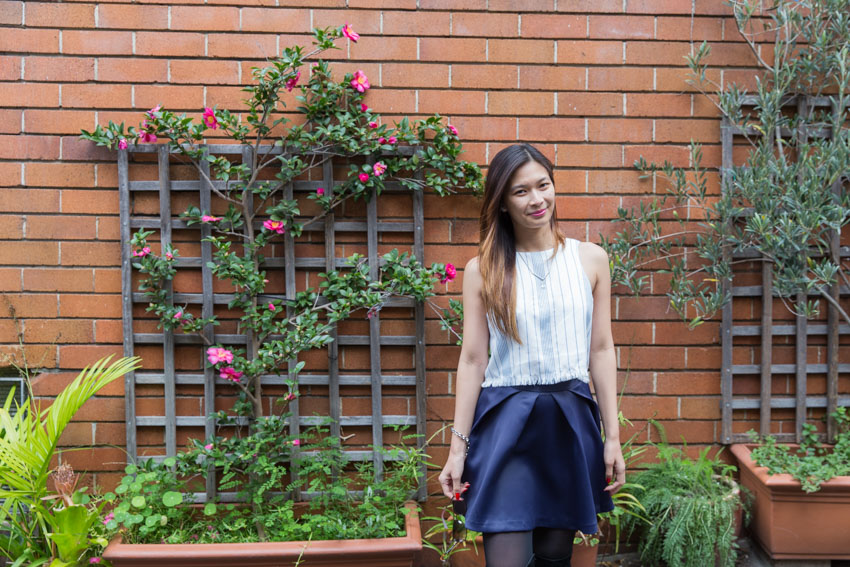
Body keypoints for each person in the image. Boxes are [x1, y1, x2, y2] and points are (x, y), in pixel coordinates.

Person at [438, 144, 626, 567]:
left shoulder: (591, 260)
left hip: (568, 419)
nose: (537, 199)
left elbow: (600, 349)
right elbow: (472, 360)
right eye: (521, 191)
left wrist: (612, 439)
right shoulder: (481, 269)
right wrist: (457, 449)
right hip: (505, 421)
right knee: (505, 558)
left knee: (555, 556)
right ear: (502, 202)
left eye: (543, 185)